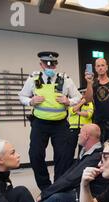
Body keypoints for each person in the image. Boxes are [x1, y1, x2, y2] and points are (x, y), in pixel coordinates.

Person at [19, 51, 82, 191]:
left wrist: (68, 101)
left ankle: (58, 187)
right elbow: (22, 96)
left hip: (60, 125)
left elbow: (77, 97)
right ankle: (45, 187)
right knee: (35, 154)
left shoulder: (65, 79)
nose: (50, 67)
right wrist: (31, 101)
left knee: (63, 156)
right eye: (47, 64)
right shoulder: (33, 79)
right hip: (39, 124)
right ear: (41, 64)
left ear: (56, 65)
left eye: (53, 64)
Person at [37, 124, 109, 202]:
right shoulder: (87, 152)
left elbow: (71, 179)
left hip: (92, 199)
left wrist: (45, 194)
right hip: (82, 191)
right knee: (53, 194)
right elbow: (69, 174)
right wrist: (48, 192)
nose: (78, 135)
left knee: (57, 198)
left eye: (80, 133)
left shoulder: (95, 157)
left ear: (86, 136)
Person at [84, 58, 109, 143]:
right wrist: (88, 83)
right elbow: (87, 100)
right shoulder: (93, 83)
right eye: (98, 66)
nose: (100, 68)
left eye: (102, 65)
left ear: (106, 67)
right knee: (100, 149)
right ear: (95, 68)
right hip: (98, 122)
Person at [68, 94, 94, 158]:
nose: (82, 95)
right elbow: (72, 111)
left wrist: (78, 112)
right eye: (80, 93)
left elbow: (88, 114)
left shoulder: (90, 103)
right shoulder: (73, 102)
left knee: (82, 149)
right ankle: (69, 166)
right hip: (73, 128)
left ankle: (80, 164)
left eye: (84, 93)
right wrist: (81, 102)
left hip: (84, 129)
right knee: (70, 149)